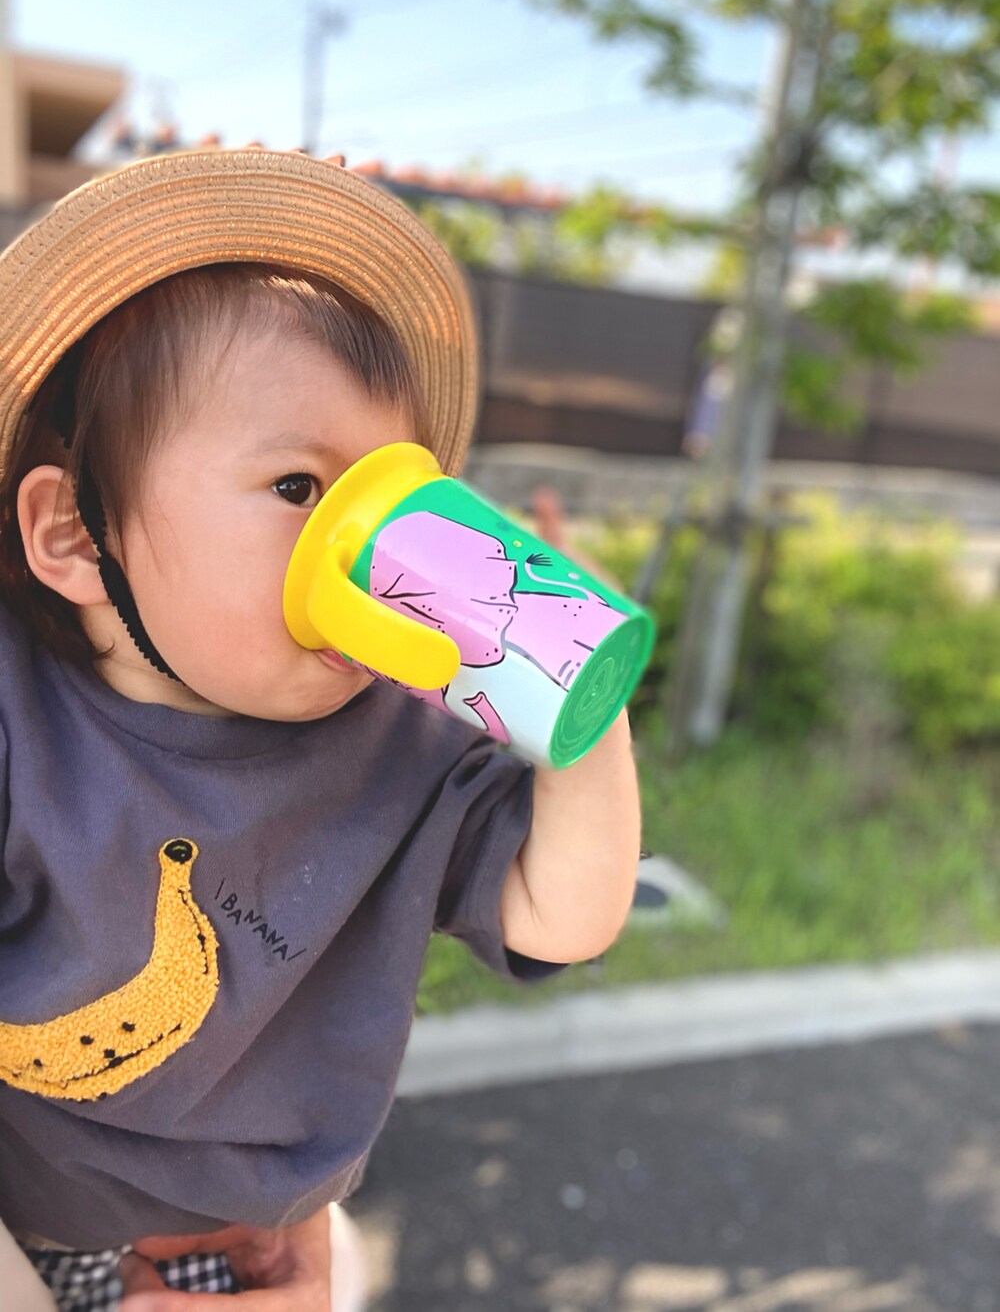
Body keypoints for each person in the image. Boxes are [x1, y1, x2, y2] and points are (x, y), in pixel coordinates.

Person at [0, 148, 642, 1310]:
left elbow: (559, 918)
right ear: (78, 538)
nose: (368, 551)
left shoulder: (400, 737)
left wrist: (580, 706)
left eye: (395, 497)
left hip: (243, 1240)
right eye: (301, 489)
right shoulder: (18, 720)